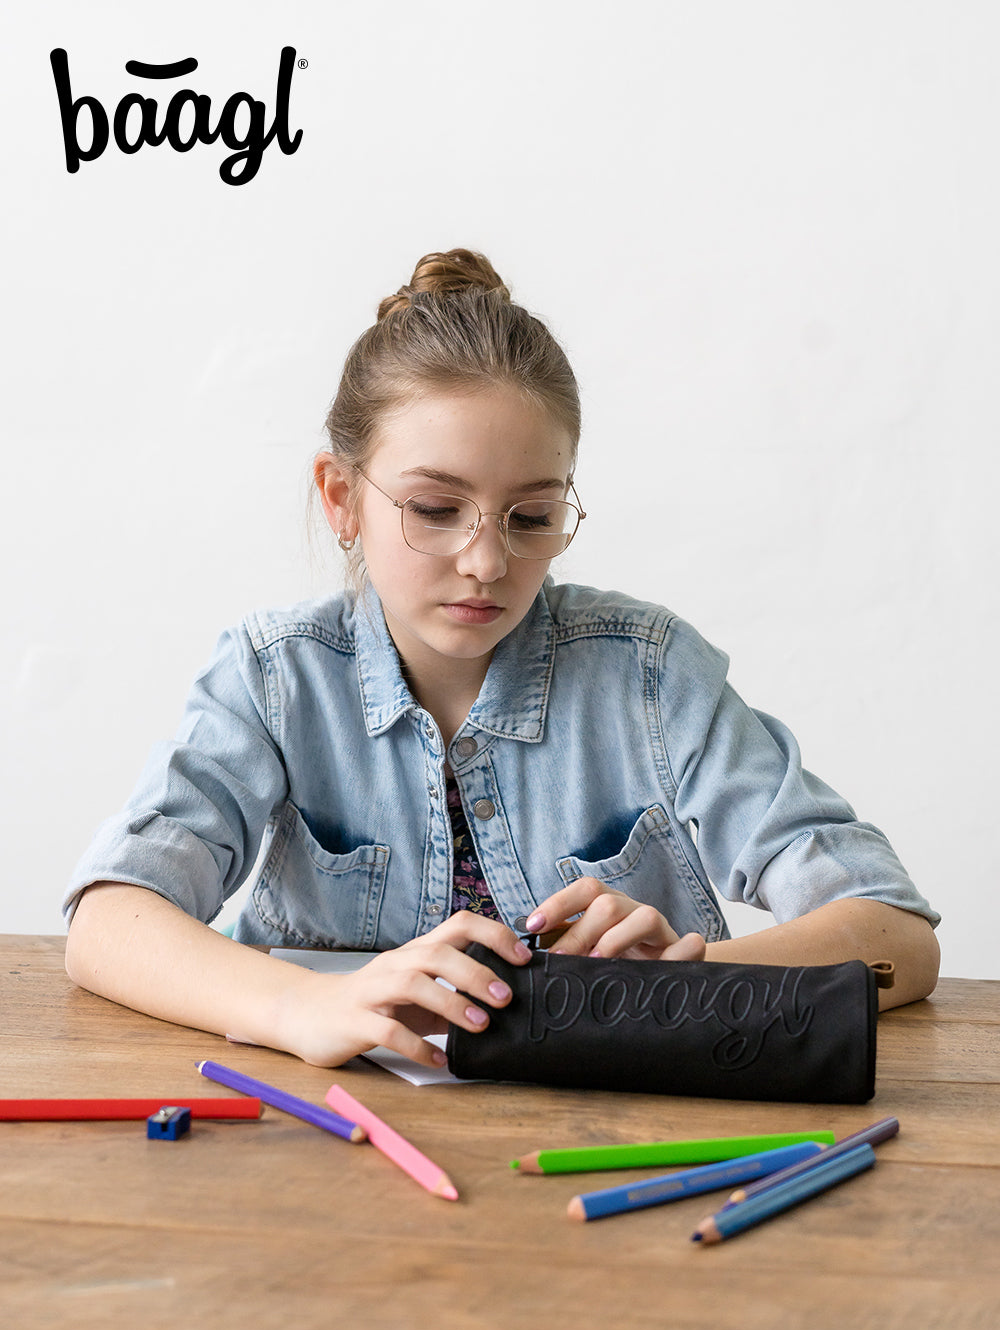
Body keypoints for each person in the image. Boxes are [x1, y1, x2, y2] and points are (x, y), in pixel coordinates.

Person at [64, 248, 940, 1070]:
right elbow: (108, 921)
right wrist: (304, 1008)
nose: (487, 562)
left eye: (530, 518)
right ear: (340, 497)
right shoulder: (274, 678)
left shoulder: (649, 674)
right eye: (436, 508)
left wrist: (692, 980)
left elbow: (897, 934)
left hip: (607, 1138)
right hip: (329, 1135)